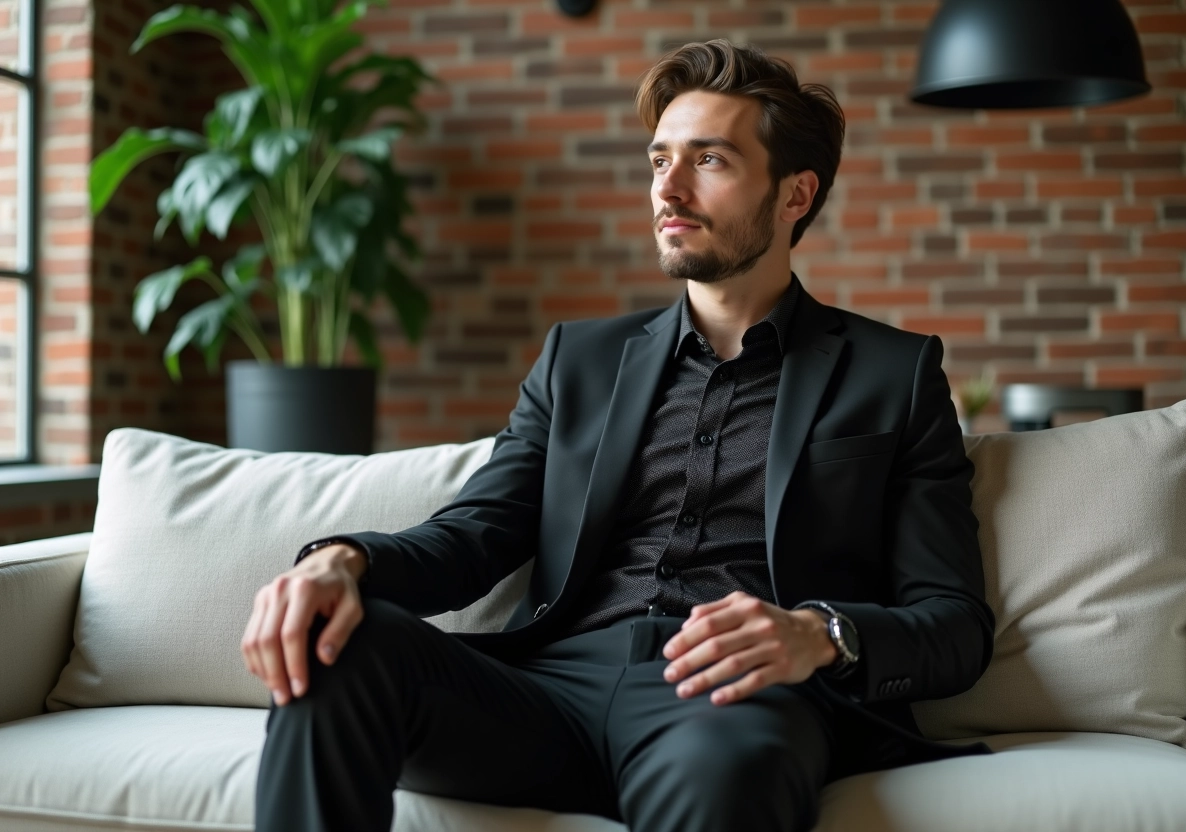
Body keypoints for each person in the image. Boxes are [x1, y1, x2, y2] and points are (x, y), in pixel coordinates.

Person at [243, 39, 996, 832]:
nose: (666, 189)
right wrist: (343, 561)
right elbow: (477, 533)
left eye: (709, 161)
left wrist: (817, 634)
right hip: (542, 693)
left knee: (732, 774)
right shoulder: (581, 360)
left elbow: (953, 622)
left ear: (794, 195)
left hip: (728, 700)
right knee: (341, 647)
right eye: (659, 158)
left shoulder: (894, 374)